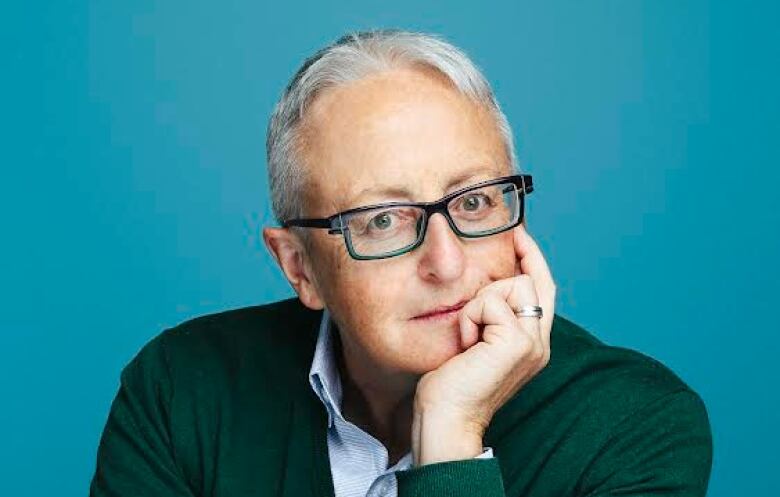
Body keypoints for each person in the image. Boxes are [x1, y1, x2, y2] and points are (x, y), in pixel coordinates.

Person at [89, 29, 713, 497]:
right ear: (299, 265)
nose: (445, 263)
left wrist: (452, 437)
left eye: (473, 202)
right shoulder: (182, 391)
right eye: (382, 220)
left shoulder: (638, 425)